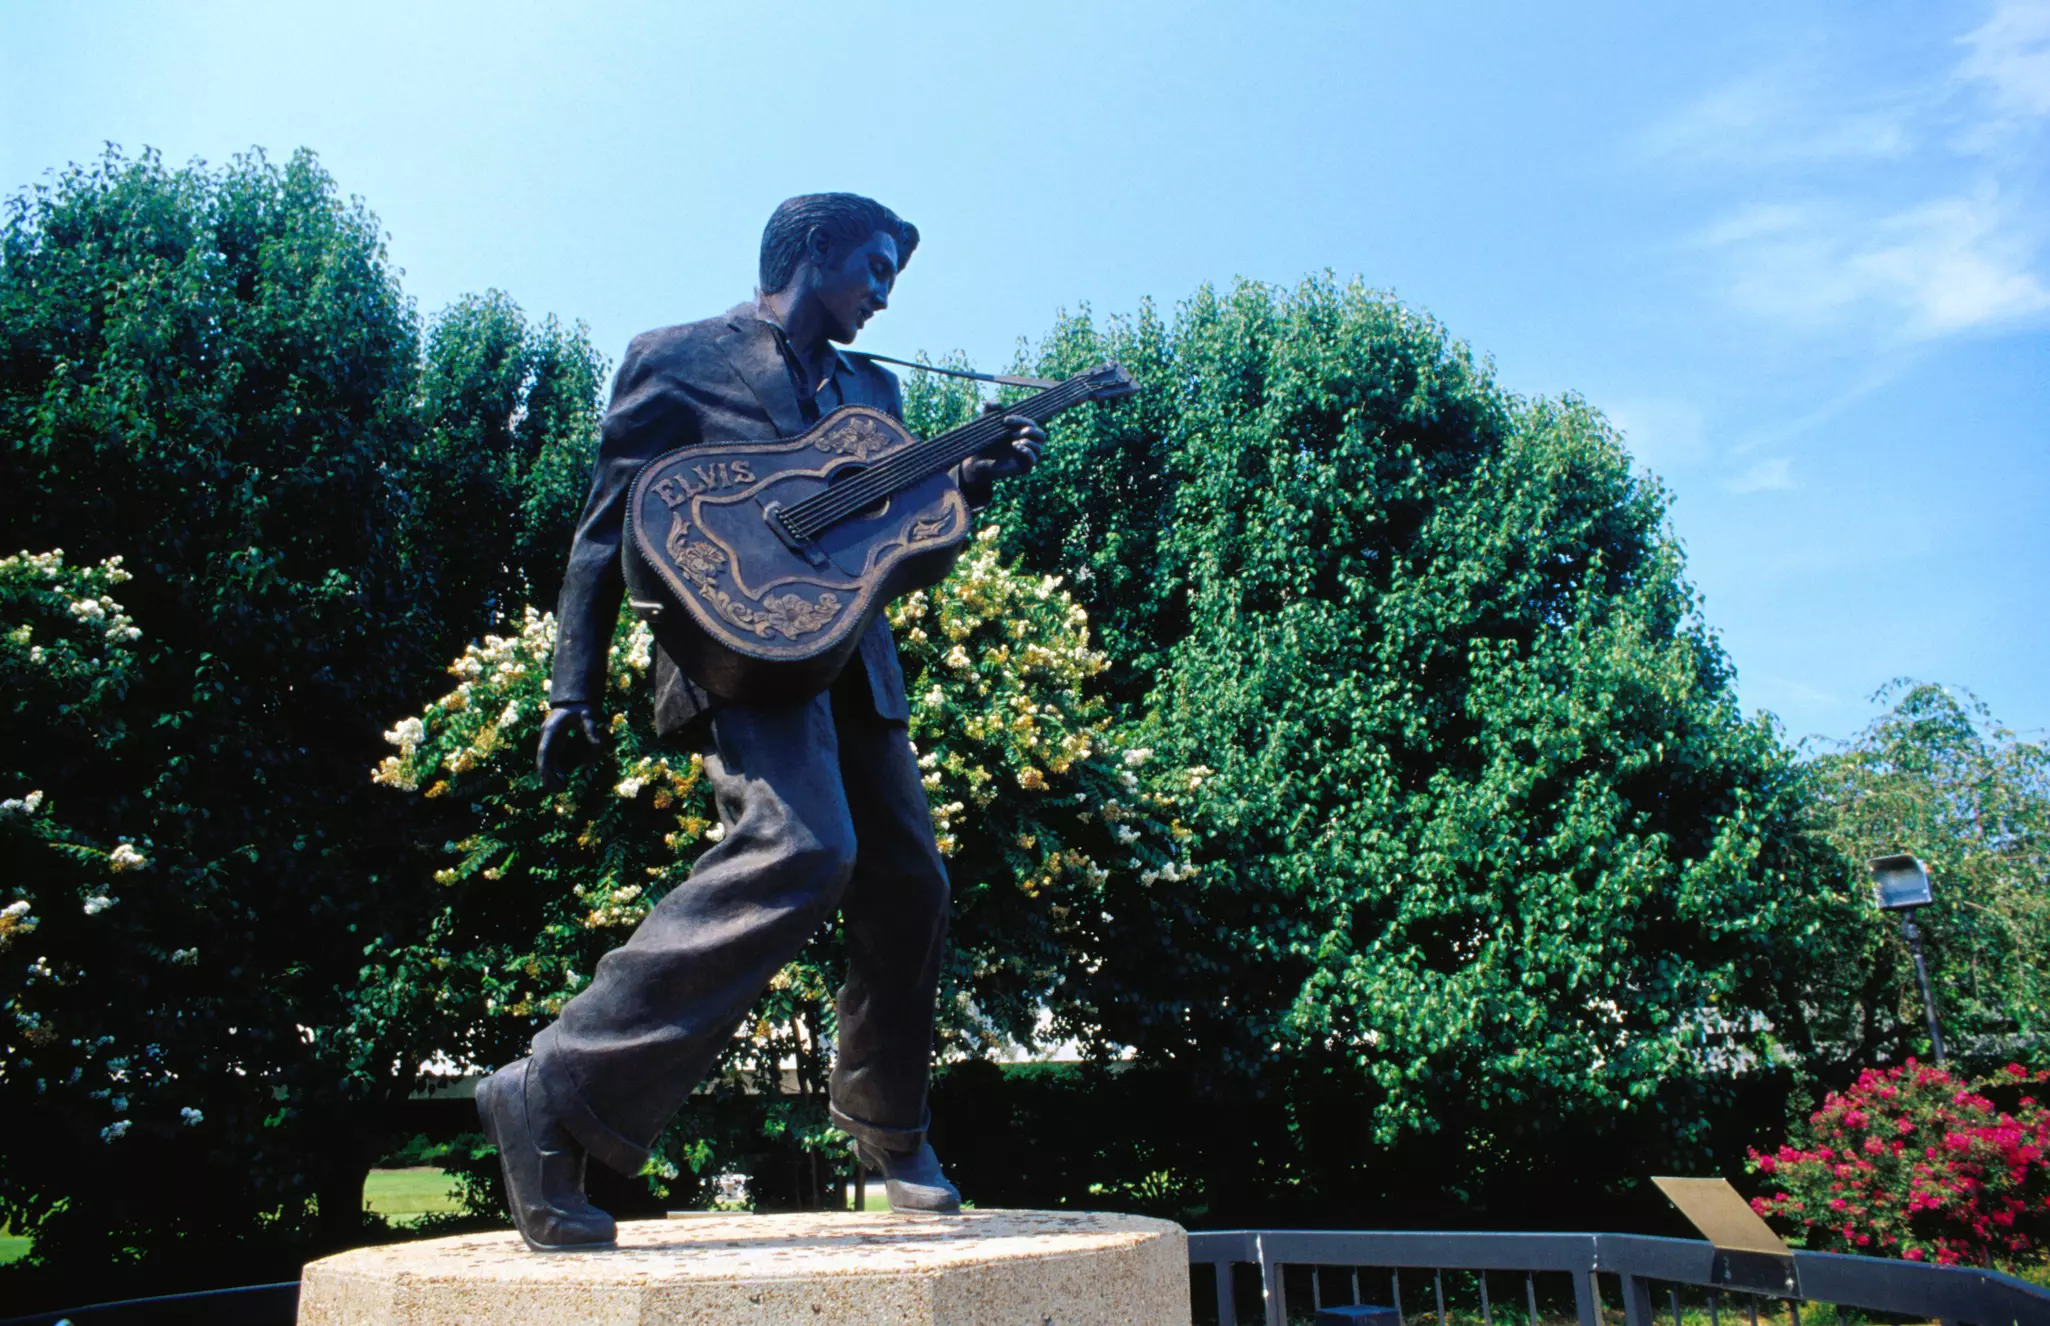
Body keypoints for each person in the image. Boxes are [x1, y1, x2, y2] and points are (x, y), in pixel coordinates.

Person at [474, 193, 1045, 1252]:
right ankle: (551, 1092)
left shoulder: (874, 389)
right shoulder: (677, 357)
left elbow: (888, 528)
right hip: (738, 648)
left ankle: (891, 1131)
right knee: (803, 846)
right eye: (875, 268)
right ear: (814, 250)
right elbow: (606, 531)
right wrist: (572, 686)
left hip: (850, 655)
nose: (883, 296)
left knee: (909, 881)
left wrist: (963, 477)